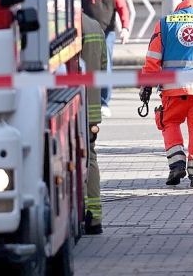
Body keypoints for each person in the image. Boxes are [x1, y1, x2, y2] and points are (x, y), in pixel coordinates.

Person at [139, 0, 193, 188]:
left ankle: (176, 164)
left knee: (170, 121)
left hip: (173, 87)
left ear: (182, 3)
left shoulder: (165, 23)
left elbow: (153, 58)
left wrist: (146, 86)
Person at [80, 0, 130, 117]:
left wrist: (125, 28)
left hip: (107, 33)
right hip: (87, 33)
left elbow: (122, 7)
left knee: (105, 65)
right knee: (86, 66)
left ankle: (104, 102)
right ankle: (87, 100)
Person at [80, 14, 106, 235]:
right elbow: (104, 65)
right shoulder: (95, 26)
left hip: (72, 105)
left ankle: (80, 211)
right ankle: (95, 216)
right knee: (90, 158)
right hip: (92, 109)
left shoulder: (62, 25)